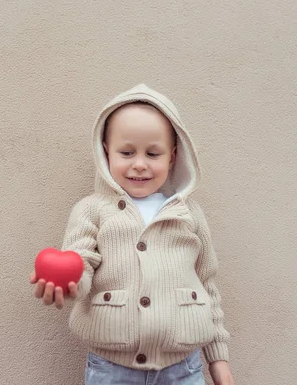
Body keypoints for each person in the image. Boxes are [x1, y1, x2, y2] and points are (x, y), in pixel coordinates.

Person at [30, 84, 234, 384]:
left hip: (183, 370)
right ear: (105, 152)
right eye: (126, 152)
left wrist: (218, 360)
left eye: (153, 153)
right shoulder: (92, 211)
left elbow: (208, 285)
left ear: (173, 157)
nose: (139, 164)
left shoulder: (188, 214)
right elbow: (81, 262)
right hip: (111, 370)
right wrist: (70, 283)